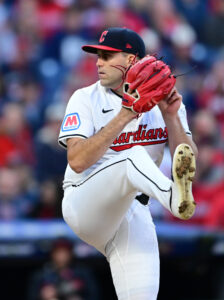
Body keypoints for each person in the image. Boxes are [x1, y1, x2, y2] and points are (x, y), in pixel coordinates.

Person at [58, 27, 198, 299]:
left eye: (108, 56)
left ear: (132, 61)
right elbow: (76, 161)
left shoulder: (167, 101)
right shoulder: (86, 98)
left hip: (134, 211)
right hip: (85, 201)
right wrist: (125, 115)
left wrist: (171, 117)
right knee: (133, 156)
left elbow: (191, 164)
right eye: (98, 55)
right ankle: (175, 199)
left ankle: (176, 196)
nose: (99, 62)